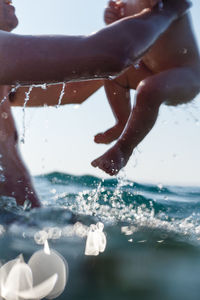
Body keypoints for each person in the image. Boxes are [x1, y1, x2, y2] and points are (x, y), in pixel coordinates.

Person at [1, 0, 190, 207]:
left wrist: (147, 55)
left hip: (21, 223)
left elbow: (77, 90)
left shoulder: (7, 85)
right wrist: (167, 12)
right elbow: (111, 55)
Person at [90, 0, 200, 176]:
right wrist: (114, 21)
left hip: (187, 74)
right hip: (149, 70)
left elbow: (181, 6)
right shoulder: (126, 6)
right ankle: (122, 122)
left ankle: (123, 149)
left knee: (148, 89)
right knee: (111, 69)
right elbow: (123, 37)